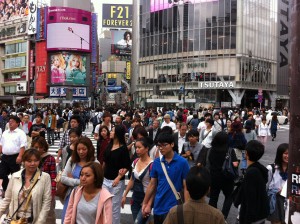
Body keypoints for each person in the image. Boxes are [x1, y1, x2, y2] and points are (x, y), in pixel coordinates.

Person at [142, 133, 190, 224]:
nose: (161, 148)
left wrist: (186, 208)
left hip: (175, 207)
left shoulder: (182, 162)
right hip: (158, 206)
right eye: (159, 145)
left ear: (172, 144)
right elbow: (152, 184)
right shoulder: (156, 162)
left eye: (164, 145)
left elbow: (186, 187)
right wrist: (145, 203)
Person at [0, 148, 52, 223]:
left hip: (33, 220)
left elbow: (46, 203)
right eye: (29, 161)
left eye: (36, 160)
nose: (32, 164)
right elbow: (7, 199)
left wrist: (40, 222)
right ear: (23, 161)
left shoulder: (45, 177)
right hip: (15, 220)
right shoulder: (15, 176)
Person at [61, 136, 97, 223]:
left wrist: (72, 180)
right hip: (72, 196)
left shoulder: (95, 163)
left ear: (89, 149)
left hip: (88, 198)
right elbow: (63, 178)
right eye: (78, 149)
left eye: (84, 149)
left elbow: (98, 182)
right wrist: (79, 182)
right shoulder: (72, 161)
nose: (81, 152)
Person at [234, 140, 269, 224]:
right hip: (260, 213)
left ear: (246, 153)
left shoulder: (251, 173)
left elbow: (250, 198)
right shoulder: (260, 169)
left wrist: (246, 219)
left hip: (252, 218)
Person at [103, 125, 131, 224]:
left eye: (112, 131)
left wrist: (118, 178)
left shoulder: (123, 149)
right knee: (105, 205)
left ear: (118, 134)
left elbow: (127, 166)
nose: (110, 132)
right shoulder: (109, 145)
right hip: (105, 180)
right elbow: (104, 162)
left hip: (116, 182)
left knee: (114, 208)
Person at [121, 137, 153, 224]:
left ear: (146, 149)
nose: (137, 150)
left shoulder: (152, 165)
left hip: (145, 198)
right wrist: (124, 195)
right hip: (135, 198)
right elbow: (132, 179)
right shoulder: (135, 161)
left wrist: (149, 204)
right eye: (136, 148)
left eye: (139, 147)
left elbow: (153, 186)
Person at [208, 132, 238, 220]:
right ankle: (223, 217)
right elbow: (235, 164)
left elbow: (210, 162)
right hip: (227, 177)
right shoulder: (230, 150)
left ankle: (212, 217)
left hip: (214, 177)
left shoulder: (212, 150)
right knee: (228, 196)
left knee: (213, 197)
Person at [31, 137, 57, 223]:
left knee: (48, 214)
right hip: (33, 189)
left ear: (44, 147)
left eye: (40, 147)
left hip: (46, 189)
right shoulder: (31, 158)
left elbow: (53, 177)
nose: (38, 149)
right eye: (35, 147)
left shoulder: (50, 159)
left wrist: (52, 192)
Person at [0, 115, 27, 193]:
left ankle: (16, 191)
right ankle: (6, 189)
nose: (10, 123)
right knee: (1, 174)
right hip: (5, 157)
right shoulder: (5, 132)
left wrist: (20, 156)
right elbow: (1, 144)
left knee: (15, 175)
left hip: (15, 157)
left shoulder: (21, 133)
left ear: (17, 123)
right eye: (9, 121)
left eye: (12, 121)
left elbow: (23, 146)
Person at [267, 143, 289, 224]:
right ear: (280, 154)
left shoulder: (294, 169)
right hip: (275, 200)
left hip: (288, 200)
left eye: (290, 153)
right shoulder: (271, 168)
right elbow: (266, 187)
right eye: (286, 153)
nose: (288, 156)